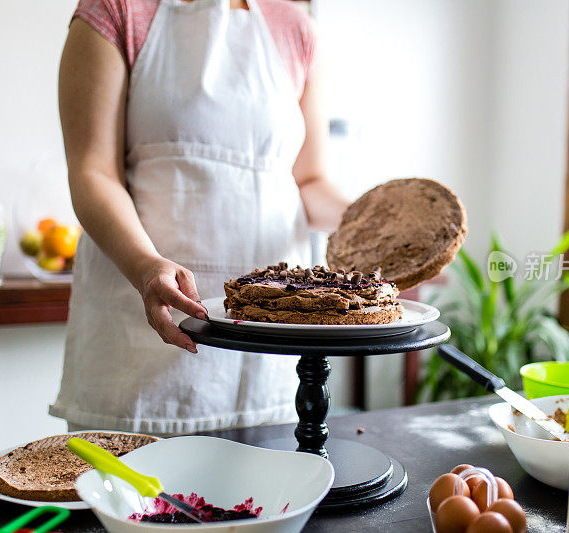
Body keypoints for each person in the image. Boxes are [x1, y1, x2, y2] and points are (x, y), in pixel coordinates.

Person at [49, 0, 349, 435]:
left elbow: (310, 182)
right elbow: (93, 172)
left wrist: (375, 224)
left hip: (266, 355)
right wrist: (145, 266)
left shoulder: (294, 26)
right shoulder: (116, 9)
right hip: (139, 344)